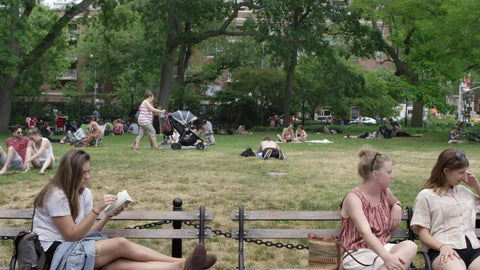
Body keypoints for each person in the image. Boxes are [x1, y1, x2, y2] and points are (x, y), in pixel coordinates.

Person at [32, 149, 216, 269]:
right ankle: (184, 264)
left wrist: (107, 215)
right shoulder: (56, 194)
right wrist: (97, 209)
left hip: (76, 250)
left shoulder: (84, 193)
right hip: (54, 257)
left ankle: (182, 266)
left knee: (119, 264)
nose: (88, 177)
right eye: (84, 173)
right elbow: (71, 235)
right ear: (71, 174)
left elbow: (86, 233)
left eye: (89, 171)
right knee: (120, 244)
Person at [339, 146, 417, 270]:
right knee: (390, 263)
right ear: (375, 174)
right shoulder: (354, 198)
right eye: (389, 172)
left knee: (410, 246)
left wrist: (397, 206)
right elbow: (366, 233)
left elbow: (395, 201)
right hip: (358, 253)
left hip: (383, 248)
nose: (393, 176)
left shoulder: (385, 192)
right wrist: (387, 258)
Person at [411, 149, 480, 270]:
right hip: (444, 249)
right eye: (461, 173)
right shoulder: (426, 195)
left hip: (473, 248)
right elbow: (423, 234)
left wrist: (476, 186)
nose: (464, 177)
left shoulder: (464, 192)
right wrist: (442, 246)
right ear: (446, 171)